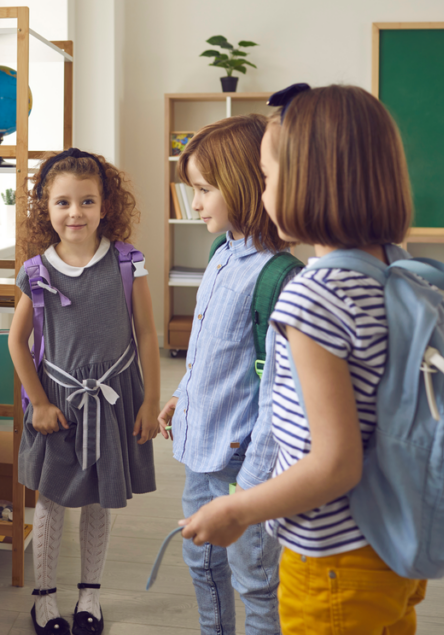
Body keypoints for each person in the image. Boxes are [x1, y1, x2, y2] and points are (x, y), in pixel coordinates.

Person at [179, 84, 444, 633]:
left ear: (309, 182)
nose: (261, 194)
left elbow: (335, 464)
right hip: (394, 544)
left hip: (332, 558)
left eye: (266, 178)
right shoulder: (402, 274)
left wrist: (238, 509)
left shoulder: (313, 295)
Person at [8, 148, 160, 635]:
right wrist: (40, 404)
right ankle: (45, 598)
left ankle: (89, 595)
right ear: (45, 209)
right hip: (58, 401)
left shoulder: (126, 263)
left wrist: (151, 401)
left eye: (88, 201)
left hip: (116, 396)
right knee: (50, 499)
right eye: (63, 203)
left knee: (99, 498)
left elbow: (148, 334)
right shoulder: (36, 271)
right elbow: (18, 340)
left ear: (106, 205)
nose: (76, 213)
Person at [157, 114, 295, 635]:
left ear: (241, 184)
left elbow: (277, 395)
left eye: (204, 190)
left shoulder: (277, 276)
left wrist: (251, 490)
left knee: (254, 579)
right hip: (203, 450)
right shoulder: (219, 253)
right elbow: (210, 350)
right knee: (202, 561)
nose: (195, 204)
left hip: (247, 468)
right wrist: (182, 396)